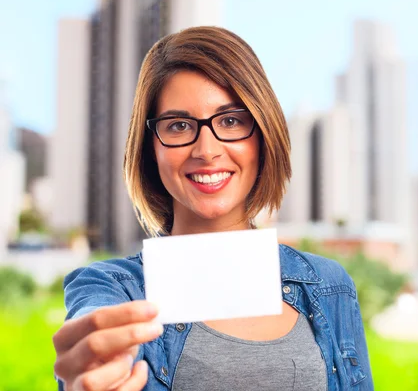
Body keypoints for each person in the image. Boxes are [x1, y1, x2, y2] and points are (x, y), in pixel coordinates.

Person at [53, 26, 373, 391]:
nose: (206, 150)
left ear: (263, 133)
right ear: (150, 148)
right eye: (178, 125)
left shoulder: (330, 286)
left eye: (231, 121)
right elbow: (94, 324)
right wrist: (95, 365)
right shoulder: (113, 287)